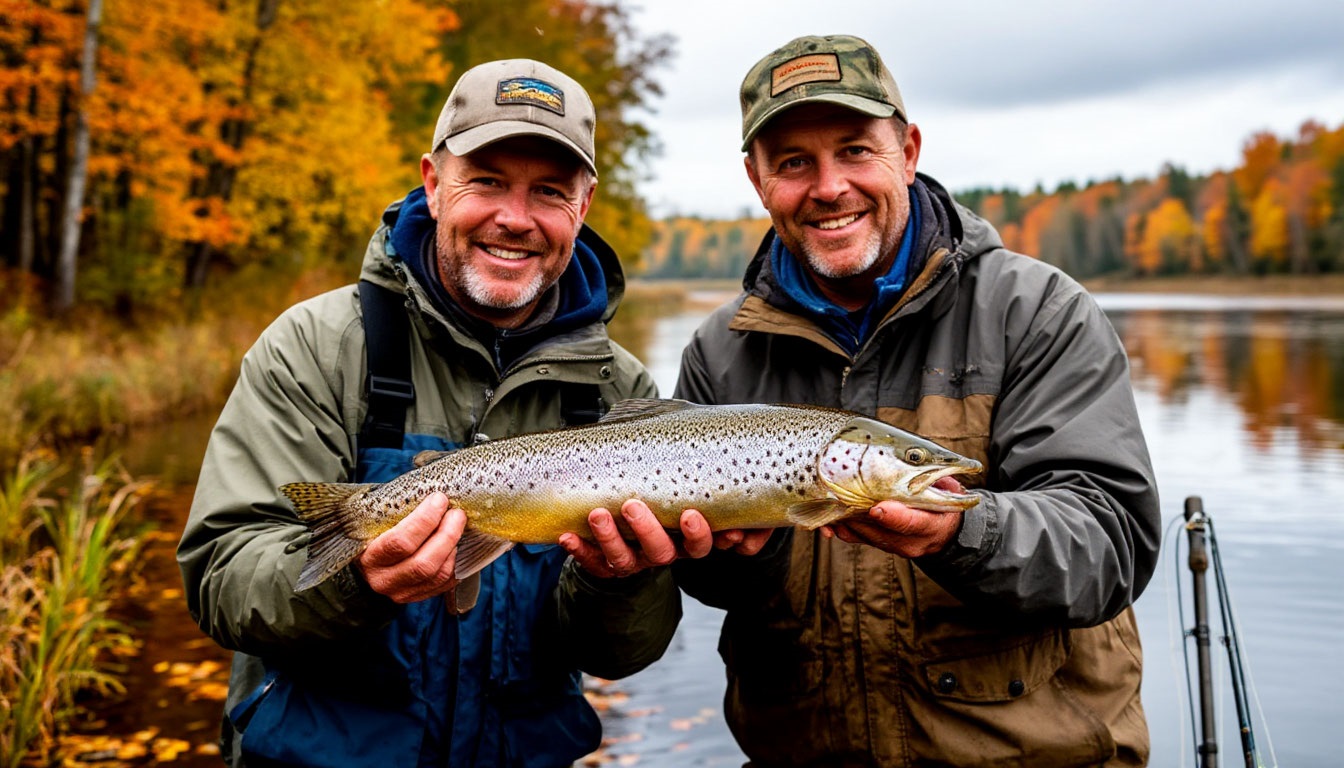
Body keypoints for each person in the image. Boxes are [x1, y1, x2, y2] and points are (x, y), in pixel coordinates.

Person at [560, 34, 1163, 767]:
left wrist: (955, 534)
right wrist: (732, 553)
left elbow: (1108, 545)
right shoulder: (720, 351)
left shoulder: (1036, 312)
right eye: (792, 163)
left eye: (854, 150)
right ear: (756, 179)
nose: (829, 186)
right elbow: (714, 586)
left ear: (907, 152)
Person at [176, 58, 691, 768]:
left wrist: (619, 581)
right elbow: (222, 579)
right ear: (433, 182)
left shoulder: (620, 392)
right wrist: (360, 581)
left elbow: (619, 659)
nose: (515, 218)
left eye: (548, 191)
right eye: (486, 181)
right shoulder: (317, 347)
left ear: (585, 204)